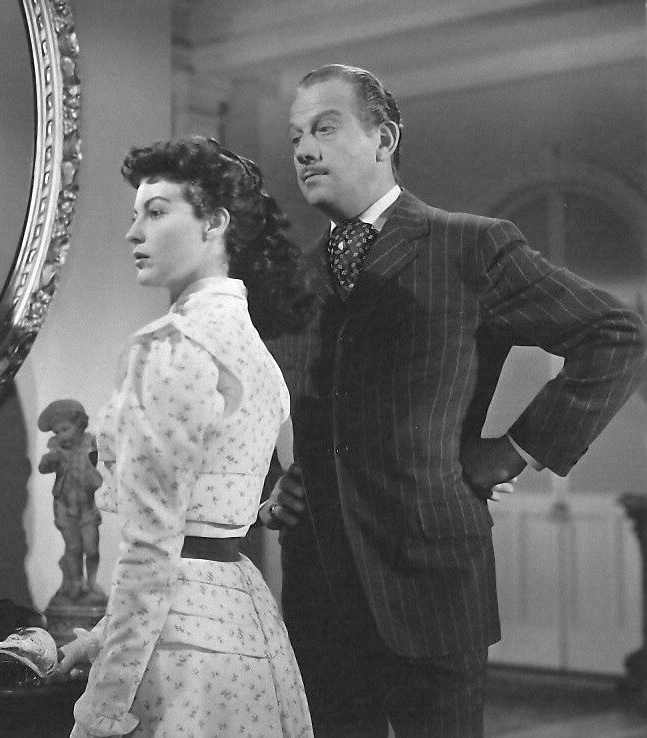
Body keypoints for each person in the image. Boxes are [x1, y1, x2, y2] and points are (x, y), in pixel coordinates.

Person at [262, 63, 647, 736]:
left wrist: (515, 450)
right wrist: (276, 485)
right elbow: (275, 407)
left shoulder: (470, 246)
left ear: (384, 139)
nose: (304, 150)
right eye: (296, 136)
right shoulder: (294, 279)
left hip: (432, 585)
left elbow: (615, 334)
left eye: (325, 128)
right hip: (320, 594)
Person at [52, 137, 315, 737]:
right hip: (246, 627)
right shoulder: (256, 354)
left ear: (214, 223)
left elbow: (153, 552)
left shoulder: (172, 348)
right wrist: (100, 637)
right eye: (135, 214)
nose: (133, 232)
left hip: (177, 653)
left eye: (156, 211)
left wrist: (100, 709)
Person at [37, 398, 105, 603]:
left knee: (92, 549)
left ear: (81, 424)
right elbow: (43, 468)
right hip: (64, 508)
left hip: (87, 508)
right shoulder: (56, 450)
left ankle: (91, 583)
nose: (62, 436)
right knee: (73, 548)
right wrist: (50, 460)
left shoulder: (91, 444)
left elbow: (104, 454)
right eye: (57, 432)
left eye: (65, 429)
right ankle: (75, 584)